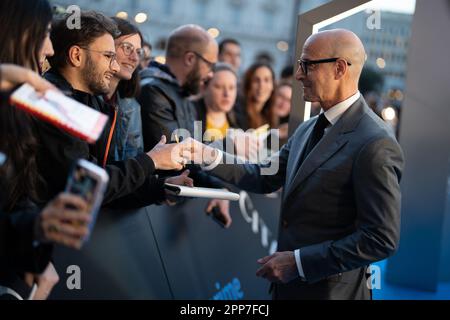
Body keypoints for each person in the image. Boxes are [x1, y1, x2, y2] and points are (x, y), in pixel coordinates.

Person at [183, 29, 405, 300]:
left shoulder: (374, 143)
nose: (298, 74)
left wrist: (298, 263)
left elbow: (380, 238)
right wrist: (205, 154)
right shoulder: (307, 128)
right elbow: (264, 175)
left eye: (307, 65)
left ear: (339, 68)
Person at [37, 11, 190, 208]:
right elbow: (85, 186)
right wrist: (151, 161)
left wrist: (160, 187)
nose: (115, 67)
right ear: (76, 56)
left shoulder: (90, 102)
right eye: (109, 56)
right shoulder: (55, 104)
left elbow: (107, 177)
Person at [0, 0, 92, 300]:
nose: (50, 49)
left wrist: (34, 234)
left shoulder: (19, 103)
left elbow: (15, 194)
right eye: (44, 34)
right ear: (16, 34)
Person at [138, 24, 232, 226]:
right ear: (190, 59)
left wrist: (219, 189)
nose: (210, 74)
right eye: (210, 65)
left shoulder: (182, 94)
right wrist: (228, 145)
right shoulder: (153, 91)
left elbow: (193, 164)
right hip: (144, 216)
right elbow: (176, 161)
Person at [105, 17, 145, 161]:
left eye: (139, 52)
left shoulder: (131, 105)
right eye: (127, 48)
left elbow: (134, 160)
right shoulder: (85, 97)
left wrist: (161, 182)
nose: (135, 58)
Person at [238, 62, 277, 130]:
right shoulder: (238, 112)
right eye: (256, 80)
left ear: (273, 85)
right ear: (248, 84)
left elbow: (272, 140)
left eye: (266, 80)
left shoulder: (271, 115)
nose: (261, 85)